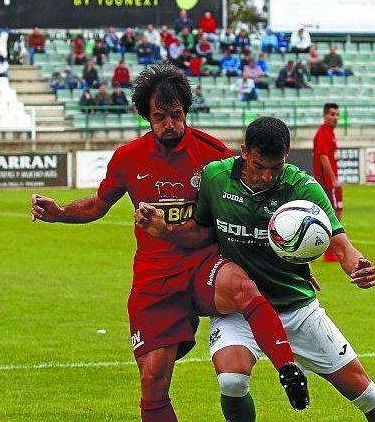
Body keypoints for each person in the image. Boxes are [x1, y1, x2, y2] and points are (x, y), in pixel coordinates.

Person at [31, 64, 308, 421]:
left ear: (185, 112)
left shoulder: (213, 154)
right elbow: (98, 204)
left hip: (203, 264)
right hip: (155, 277)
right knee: (152, 380)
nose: (169, 124)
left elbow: (247, 212)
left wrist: (290, 262)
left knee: (242, 286)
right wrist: (59, 213)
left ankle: (288, 368)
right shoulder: (128, 158)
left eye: (175, 115)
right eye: (159, 116)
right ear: (146, 115)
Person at [137, 116, 375, 422]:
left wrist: (359, 267)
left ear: (286, 157)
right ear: (243, 152)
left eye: (275, 168)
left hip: (296, 308)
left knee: (365, 393)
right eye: (258, 166)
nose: (266, 177)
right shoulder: (215, 177)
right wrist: (165, 231)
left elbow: (342, 246)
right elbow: (202, 232)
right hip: (240, 310)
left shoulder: (302, 188)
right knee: (232, 380)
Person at [313, 103, 342, 262]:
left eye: (337, 114)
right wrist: (333, 179)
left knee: (335, 214)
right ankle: (330, 253)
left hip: (331, 181)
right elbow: (323, 157)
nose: (335, 117)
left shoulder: (330, 133)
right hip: (327, 182)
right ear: (324, 115)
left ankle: (328, 251)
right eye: (332, 114)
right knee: (334, 215)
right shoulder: (322, 133)